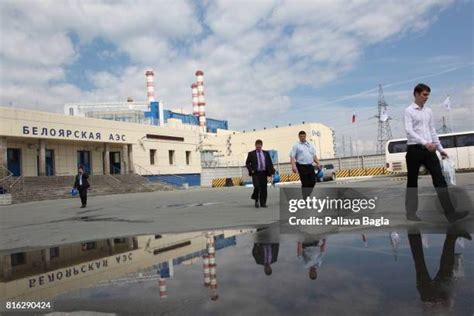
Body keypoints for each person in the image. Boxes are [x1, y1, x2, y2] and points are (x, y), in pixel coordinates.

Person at [404, 83, 468, 223]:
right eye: (424, 94)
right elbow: (409, 131)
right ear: (416, 94)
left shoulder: (429, 111)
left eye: (428, 95)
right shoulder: (409, 111)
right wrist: (425, 143)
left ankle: (451, 214)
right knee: (412, 182)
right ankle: (411, 213)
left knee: (440, 181)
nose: (426, 97)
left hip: (430, 150)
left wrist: (440, 149)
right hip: (414, 150)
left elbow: (432, 131)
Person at [408, 230, 471, 305]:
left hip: (432, 298)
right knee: (422, 265)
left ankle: (451, 237)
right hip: (429, 298)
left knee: (445, 271)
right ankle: (414, 236)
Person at [246, 140, 275, 208]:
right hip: (255, 173)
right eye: (257, 147)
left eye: (259, 147)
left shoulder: (266, 153)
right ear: (255, 145)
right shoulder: (251, 153)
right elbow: (247, 163)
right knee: (257, 186)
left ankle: (263, 203)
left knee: (264, 188)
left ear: (261, 146)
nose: (258, 148)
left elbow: (269, 163)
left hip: (264, 173)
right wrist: (251, 170)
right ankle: (256, 199)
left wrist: (272, 172)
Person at [290, 131, 320, 198]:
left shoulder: (310, 145)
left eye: (304, 136)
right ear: (299, 137)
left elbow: (314, 156)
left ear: (305, 136)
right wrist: (293, 166)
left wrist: (318, 163)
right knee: (305, 183)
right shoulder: (296, 145)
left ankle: (307, 195)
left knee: (313, 181)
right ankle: (306, 198)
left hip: (310, 166)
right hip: (301, 166)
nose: (302, 138)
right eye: (301, 136)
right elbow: (292, 156)